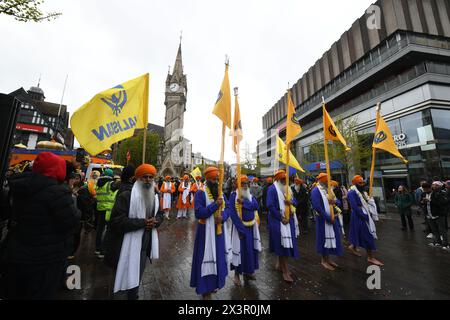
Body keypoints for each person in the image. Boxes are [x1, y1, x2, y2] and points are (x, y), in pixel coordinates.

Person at [0, 152, 79, 300]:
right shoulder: (58, 192)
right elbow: (72, 221)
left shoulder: (17, 186)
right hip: (45, 259)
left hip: (16, 253)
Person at [103, 164, 164, 300]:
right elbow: (116, 221)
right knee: (123, 277)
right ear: (137, 178)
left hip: (144, 246)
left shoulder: (154, 196)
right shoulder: (126, 196)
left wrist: (156, 221)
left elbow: (160, 214)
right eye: (145, 177)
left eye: (151, 177)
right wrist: (142, 223)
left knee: (136, 278)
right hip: (123, 245)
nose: (148, 180)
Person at [190, 167, 231, 299]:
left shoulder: (221, 193)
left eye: (217, 179)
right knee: (205, 260)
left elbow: (228, 208)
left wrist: (223, 217)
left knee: (217, 259)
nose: (216, 182)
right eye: (213, 179)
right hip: (205, 235)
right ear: (207, 179)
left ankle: (213, 285)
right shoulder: (200, 193)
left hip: (218, 233)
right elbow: (198, 213)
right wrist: (215, 206)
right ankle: (205, 290)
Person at [266, 170, 299, 283]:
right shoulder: (272, 189)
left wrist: (291, 202)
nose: (285, 182)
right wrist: (281, 218)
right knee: (283, 246)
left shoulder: (288, 188)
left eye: (286, 180)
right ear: (277, 180)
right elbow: (270, 206)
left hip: (288, 220)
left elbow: (295, 201)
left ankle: (280, 266)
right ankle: (285, 271)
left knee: (286, 245)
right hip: (277, 221)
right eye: (283, 180)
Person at [228, 175, 261, 286]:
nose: (246, 186)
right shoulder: (233, 196)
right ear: (238, 185)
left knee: (249, 251)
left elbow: (256, 206)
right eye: (243, 184)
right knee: (239, 251)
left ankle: (248, 271)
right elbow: (232, 214)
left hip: (251, 228)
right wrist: (241, 230)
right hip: (239, 230)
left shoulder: (250, 196)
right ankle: (237, 275)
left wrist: (244, 203)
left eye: (247, 183)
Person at [347, 175, 383, 266]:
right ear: (355, 183)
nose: (362, 184)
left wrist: (370, 203)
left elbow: (366, 201)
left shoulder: (362, 191)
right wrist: (364, 215)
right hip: (359, 215)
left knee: (358, 233)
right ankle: (370, 257)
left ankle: (352, 247)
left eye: (363, 182)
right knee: (367, 235)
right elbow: (354, 206)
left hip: (364, 213)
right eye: (360, 182)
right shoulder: (351, 192)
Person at [310, 173, 343, 271]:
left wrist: (334, 202)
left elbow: (338, 202)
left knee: (331, 238)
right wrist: (328, 217)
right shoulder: (316, 191)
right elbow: (317, 206)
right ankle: (323, 260)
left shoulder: (330, 191)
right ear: (322, 181)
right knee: (323, 239)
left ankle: (328, 259)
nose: (329, 182)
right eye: (327, 180)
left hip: (333, 218)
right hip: (322, 220)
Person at [94, 168, 118, 258]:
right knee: (107, 231)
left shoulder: (99, 183)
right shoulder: (110, 184)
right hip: (108, 210)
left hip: (100, 209)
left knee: (99, 230)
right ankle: (102, 251)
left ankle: (97, 248)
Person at [426, 181, 449, 249]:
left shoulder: (442, 193)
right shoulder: (430, 193)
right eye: (432, 185)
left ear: (439, 186)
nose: (433, 186)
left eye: (435, 185)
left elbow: (443, 203)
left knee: (442, 230)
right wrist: (423, 202)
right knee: (434, 230)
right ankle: (438, 242)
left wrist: (430, 201)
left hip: (439, 214)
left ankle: (446, 244)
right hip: (430, 214)